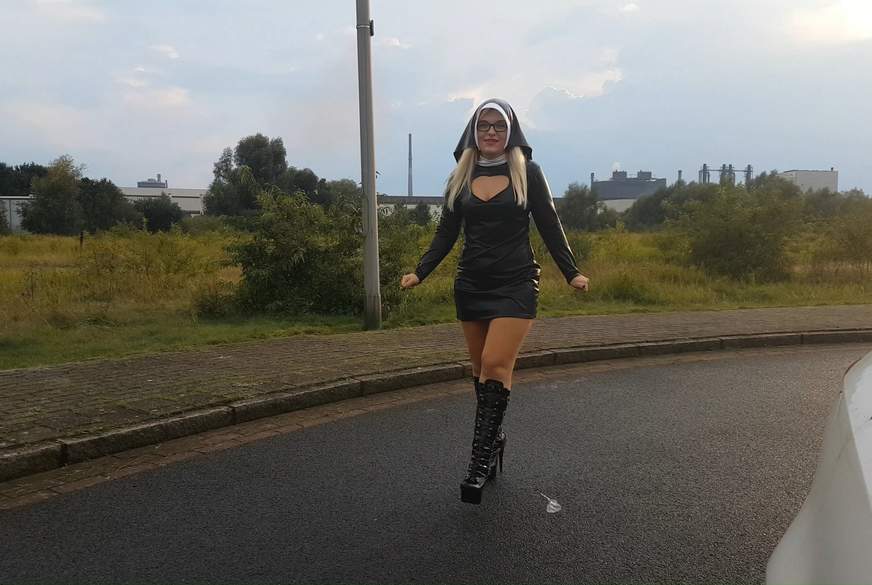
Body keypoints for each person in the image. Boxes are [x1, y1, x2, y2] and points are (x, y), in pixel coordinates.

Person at [399, 98, 590, 505]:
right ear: (473, 131)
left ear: (510, 132)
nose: (490, 132)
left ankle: (478, 462)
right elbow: (446, 232)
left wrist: (571, 271)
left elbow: (550, 224)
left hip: (516, 283)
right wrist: (421, 270)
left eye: (498, 126)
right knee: (480, 370)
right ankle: (495, 437)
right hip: (471, 285)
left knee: (494, 363)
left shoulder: (527, 172)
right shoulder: (460, 176)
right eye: (484, 125)